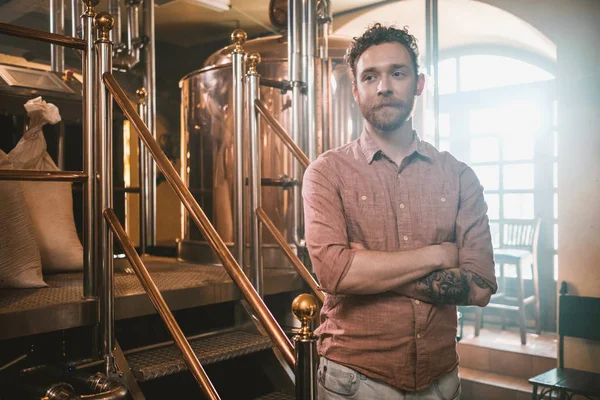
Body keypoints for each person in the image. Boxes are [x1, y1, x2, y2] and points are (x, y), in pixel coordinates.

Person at [302, 24, 498, 400]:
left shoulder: (459, 176)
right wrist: (439, 255)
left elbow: (479, 286)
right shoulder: (326, 173)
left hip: (440, 380)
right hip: (353, 381)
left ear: (419, 84)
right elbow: (333, 273)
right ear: (356, 89)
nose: (384, 87)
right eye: (370, 76)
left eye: (397, 73)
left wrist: (364, 270)